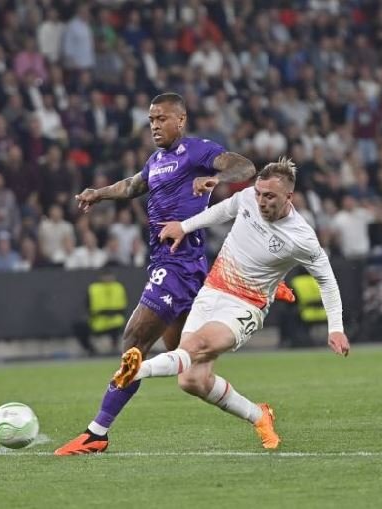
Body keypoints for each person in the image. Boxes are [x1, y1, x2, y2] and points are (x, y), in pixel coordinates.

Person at [55, 92, 259, 455]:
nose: (154, 126)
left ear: (180, 120)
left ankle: (97, 432)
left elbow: (244, 167)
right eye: (150, 120)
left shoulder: (198, 152)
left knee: (133, 338)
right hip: (169, 263)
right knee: (190, 370)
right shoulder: (156, 161)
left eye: (161, 118)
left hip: (179, 263)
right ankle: (259, 415)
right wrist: (98, 193)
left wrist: (217, 179)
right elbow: (133, 185)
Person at [111, 158, 350, 450]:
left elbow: (326, 280)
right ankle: (258, 414)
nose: (261, 200)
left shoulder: (302, 238)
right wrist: (184, 227)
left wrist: (335, 328)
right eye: (259, 193)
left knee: (195, 346)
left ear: (289, 197)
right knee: (191, 380)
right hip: (213, 290)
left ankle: (136, 370)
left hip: (247, 305)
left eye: (270, 196)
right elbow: (223, 210)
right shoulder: (248, 198)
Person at [73, 270, 128, 356]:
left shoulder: (118, 287)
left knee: (117, 325)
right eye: (105, 276)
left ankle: (114, 348)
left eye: (109, 276)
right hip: (98, 320)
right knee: (78, 326)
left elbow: (123, 307)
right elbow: (87, 306)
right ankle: (91, 350)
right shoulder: (94, 288)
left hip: (115, 320)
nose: (107, 278)